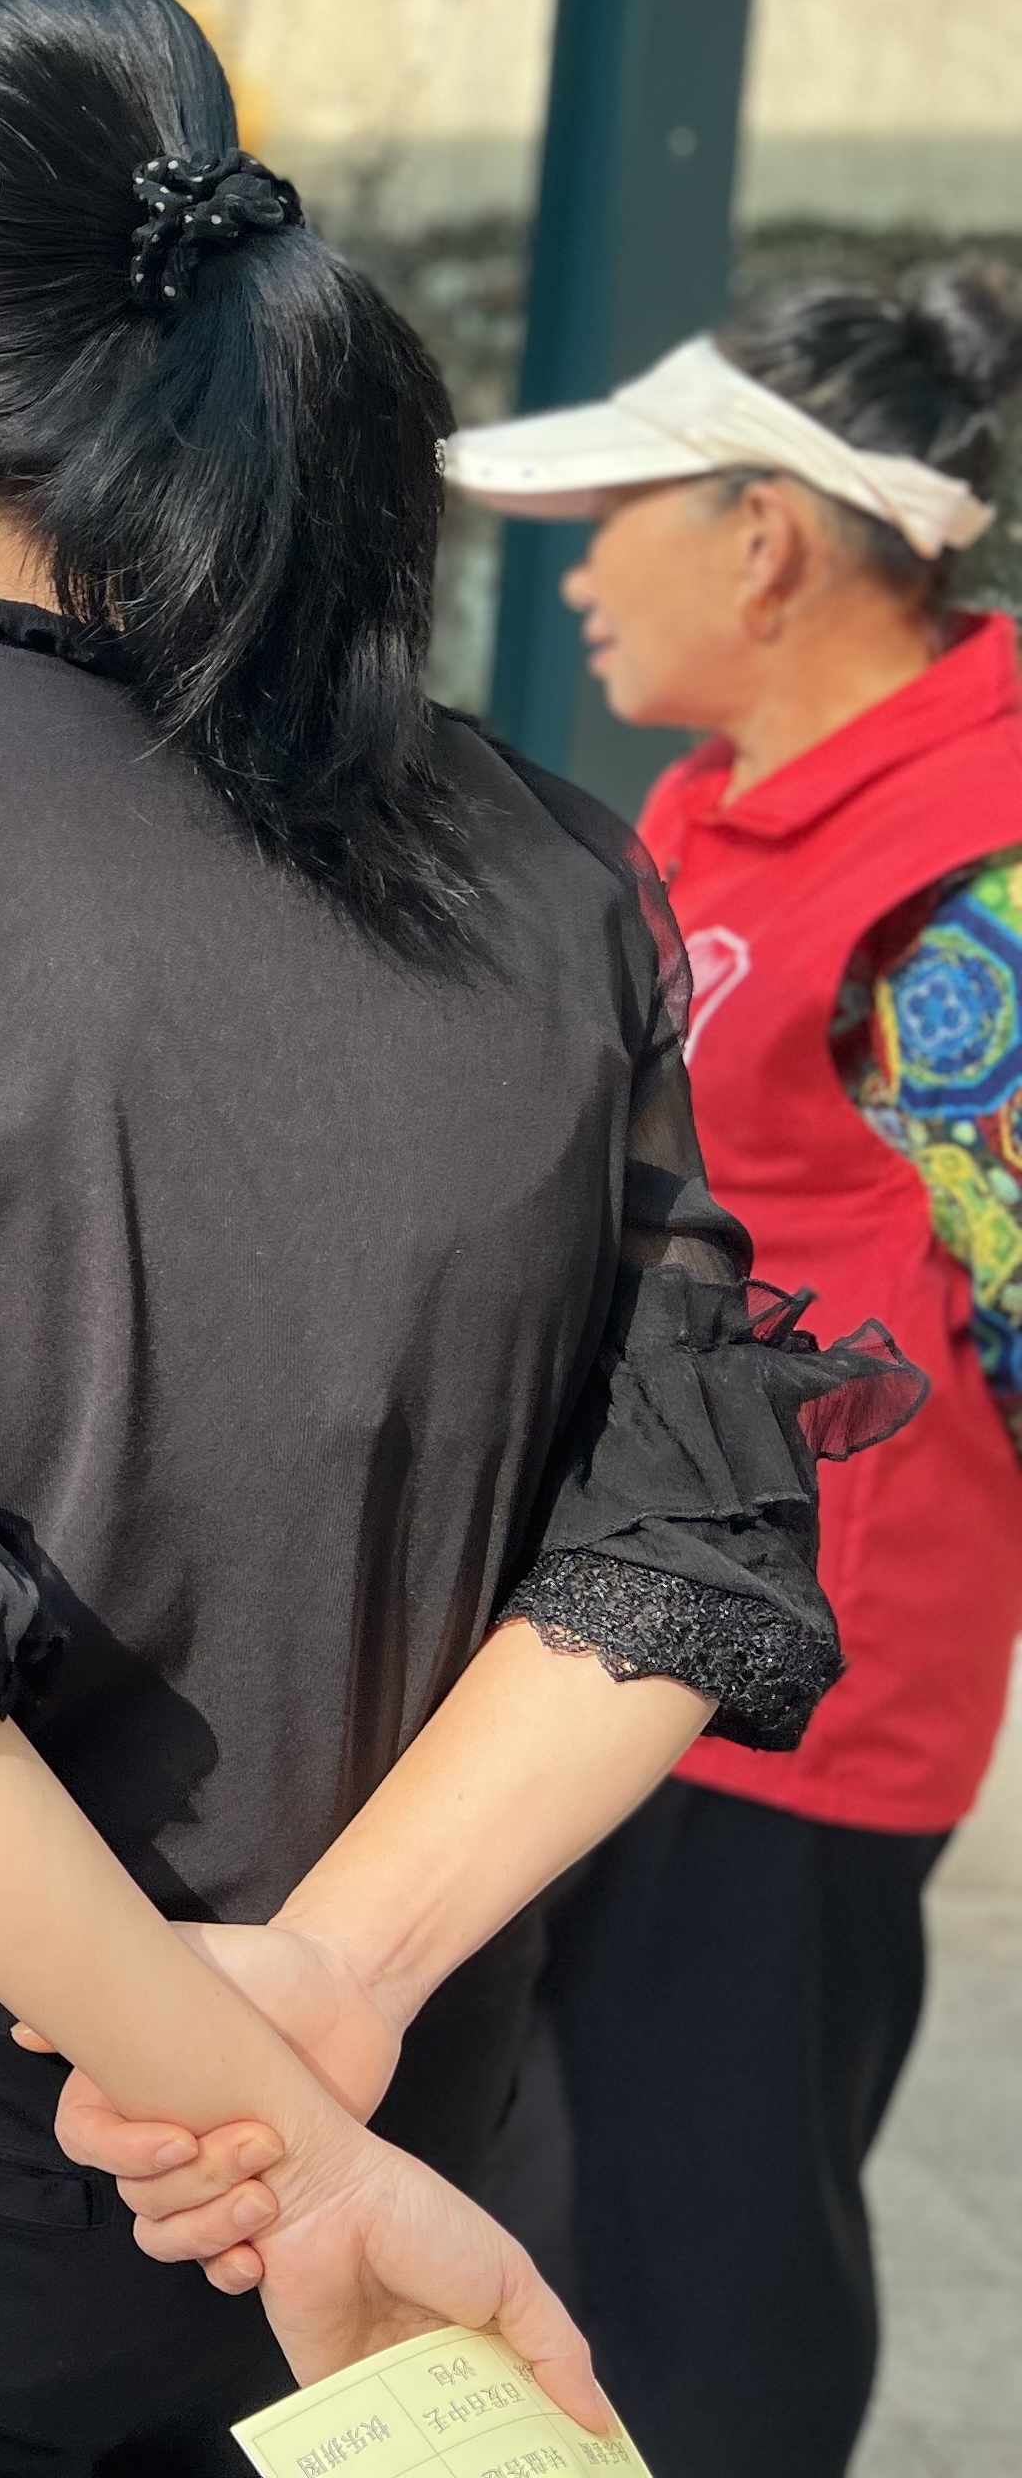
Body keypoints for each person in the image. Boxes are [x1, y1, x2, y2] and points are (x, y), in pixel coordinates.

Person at [0, 0, 915, 2469]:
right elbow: (678, 1540)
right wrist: (332, 2008)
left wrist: (265, 2118)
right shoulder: (554, 860)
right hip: (412, 2098)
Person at [436, 269, 1022, 2478]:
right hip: (626, 1634)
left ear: (763, 538)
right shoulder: (718, 799)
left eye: (615, 517)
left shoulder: (969, 861)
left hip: (796, 1703)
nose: (577, 573)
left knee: (713, 2270)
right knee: (567, 2222)